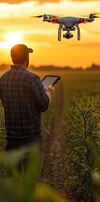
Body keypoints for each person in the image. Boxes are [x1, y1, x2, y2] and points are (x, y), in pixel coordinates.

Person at [0, 44, 53, 174]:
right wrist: (48, 92)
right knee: (30, 181)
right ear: (27, 59)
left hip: (11, 139)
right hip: (31, 139)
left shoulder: (3, 79)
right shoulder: (32, 79)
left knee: (13, 181)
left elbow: (3, 103)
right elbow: (43, 105)